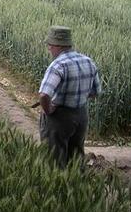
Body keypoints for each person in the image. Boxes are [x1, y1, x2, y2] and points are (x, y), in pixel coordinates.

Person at [38, 26, 101, 167]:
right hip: (81, 116)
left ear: (57, 45)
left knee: (54, 159)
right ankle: (76, 186)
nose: (49, 49)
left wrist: (48, 110)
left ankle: (57, 188)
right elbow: (95, 92)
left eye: (50, 45)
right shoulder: (88, 61)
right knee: (76, 158)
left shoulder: (58, 65)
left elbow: (44, 95)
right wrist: (77, 97)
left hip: (59, 117)